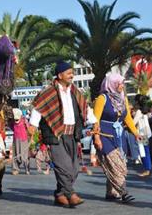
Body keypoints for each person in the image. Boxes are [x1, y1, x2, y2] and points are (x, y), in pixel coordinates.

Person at [28, 61, 96, 208]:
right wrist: (33, 125)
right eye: (68, 73)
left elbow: (85, 107)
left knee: (74, 168)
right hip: (55, 134)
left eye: (72, 72)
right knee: (62, 166)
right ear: (59, 75)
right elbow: (38, 107)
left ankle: (59, 194)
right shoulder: (48, 92)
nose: (72, 75)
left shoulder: (75, 91)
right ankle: (71, 194)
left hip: (72, 134)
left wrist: (94, 122)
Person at [93, 73, 140, 203]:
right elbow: (95, 119)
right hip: (104, 135)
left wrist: (135, 133)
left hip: (119, 136)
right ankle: (124, 192)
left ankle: (111, 192)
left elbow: (127, 118)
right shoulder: (102, 98)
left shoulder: (123, 99)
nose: (122, 86)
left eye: (122, 83)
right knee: (117, 165)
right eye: (119, 83)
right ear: (112, 84)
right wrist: (96, 137)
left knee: (115, 164)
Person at [133, 95, 152, 177]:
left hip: (141, 134)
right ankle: (148, 168)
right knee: (146, 151)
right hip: (147, 133)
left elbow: (133, 122)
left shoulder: (138, 112)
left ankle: (147, 169)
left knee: (143, 152)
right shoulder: (146, 110)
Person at [10, 108, 31, 175]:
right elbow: (11, 127)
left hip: (24, 140)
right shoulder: (12, 122)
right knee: (15, 154)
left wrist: (30, 137)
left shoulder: (24, 120)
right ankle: (15, 169)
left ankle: (27, 169)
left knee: (25, 155)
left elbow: (29, 128)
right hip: (16, 140)